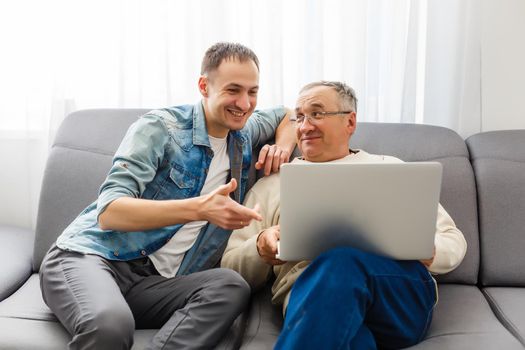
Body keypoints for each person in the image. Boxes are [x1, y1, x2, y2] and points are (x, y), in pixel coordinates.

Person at [39, 42, 296, 350]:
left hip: (153, 284)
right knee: (111, 326)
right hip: (92, 259)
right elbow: (110, 212)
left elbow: (289, 114)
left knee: (230, 286)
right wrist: (200, 209)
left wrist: (280, 146)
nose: (244, 102)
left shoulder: (243, 134)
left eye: (253, 92)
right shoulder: (161, 128)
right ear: (204, 86)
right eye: (233, 90)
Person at [221, 81, 467, 349]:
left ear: (350, 122)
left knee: (341, 260)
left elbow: (453, 239)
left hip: (396, 294)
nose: (304, 126)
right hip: (314, 303)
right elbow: (230, 267)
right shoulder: (272, 185)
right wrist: (260, 248)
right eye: (299, 117)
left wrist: (431, 251)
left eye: (317, 114)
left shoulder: (390, 169)